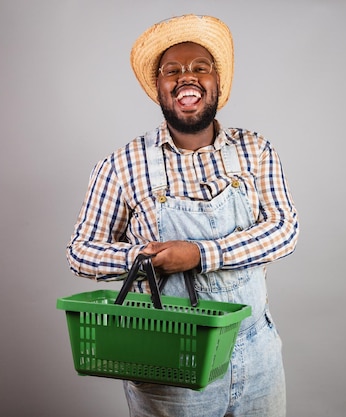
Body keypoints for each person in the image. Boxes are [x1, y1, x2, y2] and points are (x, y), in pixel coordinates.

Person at [66, 14, 299, 417]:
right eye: (171, 70)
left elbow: (285, 230)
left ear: (217, 83)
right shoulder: (122, 165)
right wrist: (142, 258)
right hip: (170, 358)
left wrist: (200, 254)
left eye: (199, 68)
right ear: (158, 87)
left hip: (257, 350)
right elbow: (81, 252)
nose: (186, 77)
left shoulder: (255, 150)